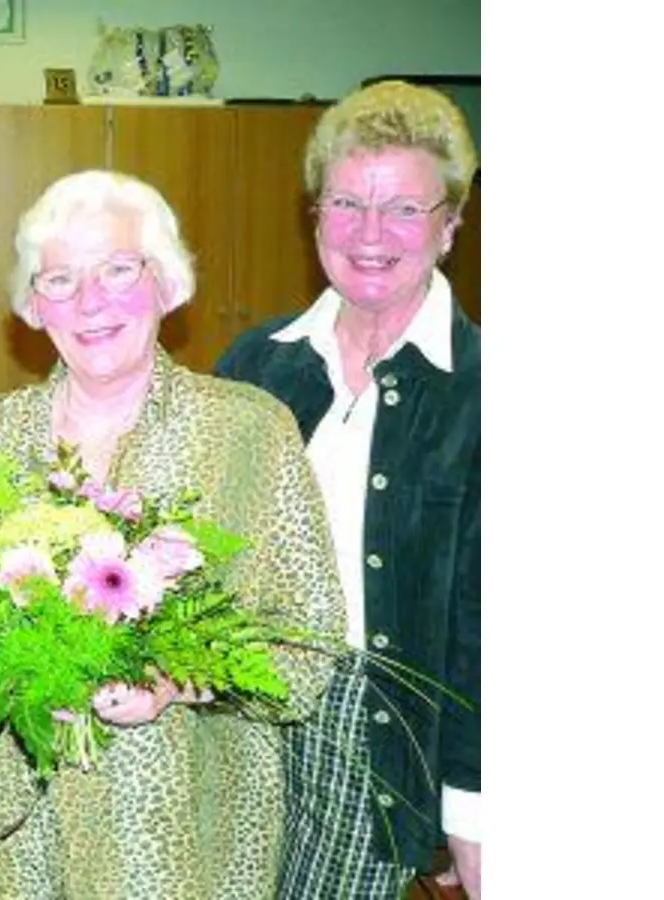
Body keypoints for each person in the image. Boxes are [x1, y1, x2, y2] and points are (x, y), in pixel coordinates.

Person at [0, 170, 348, 900]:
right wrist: (6, 669)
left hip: (183, 839)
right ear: (32, 306)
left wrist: (174, 681)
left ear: (167, 284)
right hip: (15, 832)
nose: (90, 302)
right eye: (58, 279)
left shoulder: (248, 433)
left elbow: (307, 646)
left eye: (118, 269)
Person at [214, 79, 481, 898]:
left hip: (371, 737)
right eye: (345, 203)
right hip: (233, 720)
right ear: (315, 213)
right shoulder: (256, 366)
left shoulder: (488, 392)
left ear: (451, 226)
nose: (370, 235)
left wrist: (473, 809)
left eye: (405, 208)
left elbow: (493, 623)